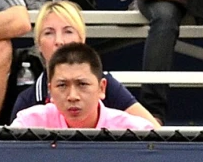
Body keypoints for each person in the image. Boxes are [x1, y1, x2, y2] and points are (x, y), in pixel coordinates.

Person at [5, 0, 156, 125]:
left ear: (82, 39)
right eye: (49, 33)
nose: (59, 41)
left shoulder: (107, 85)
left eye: (68, 31)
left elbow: (155, 135)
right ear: (38, 44)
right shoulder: (27, 102)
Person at [10, 43, 155, 132]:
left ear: (102, 88)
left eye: (82, 84)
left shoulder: (135, 132)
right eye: (62, 85)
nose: (72, 96)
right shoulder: (28, 123)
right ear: (50, 91)